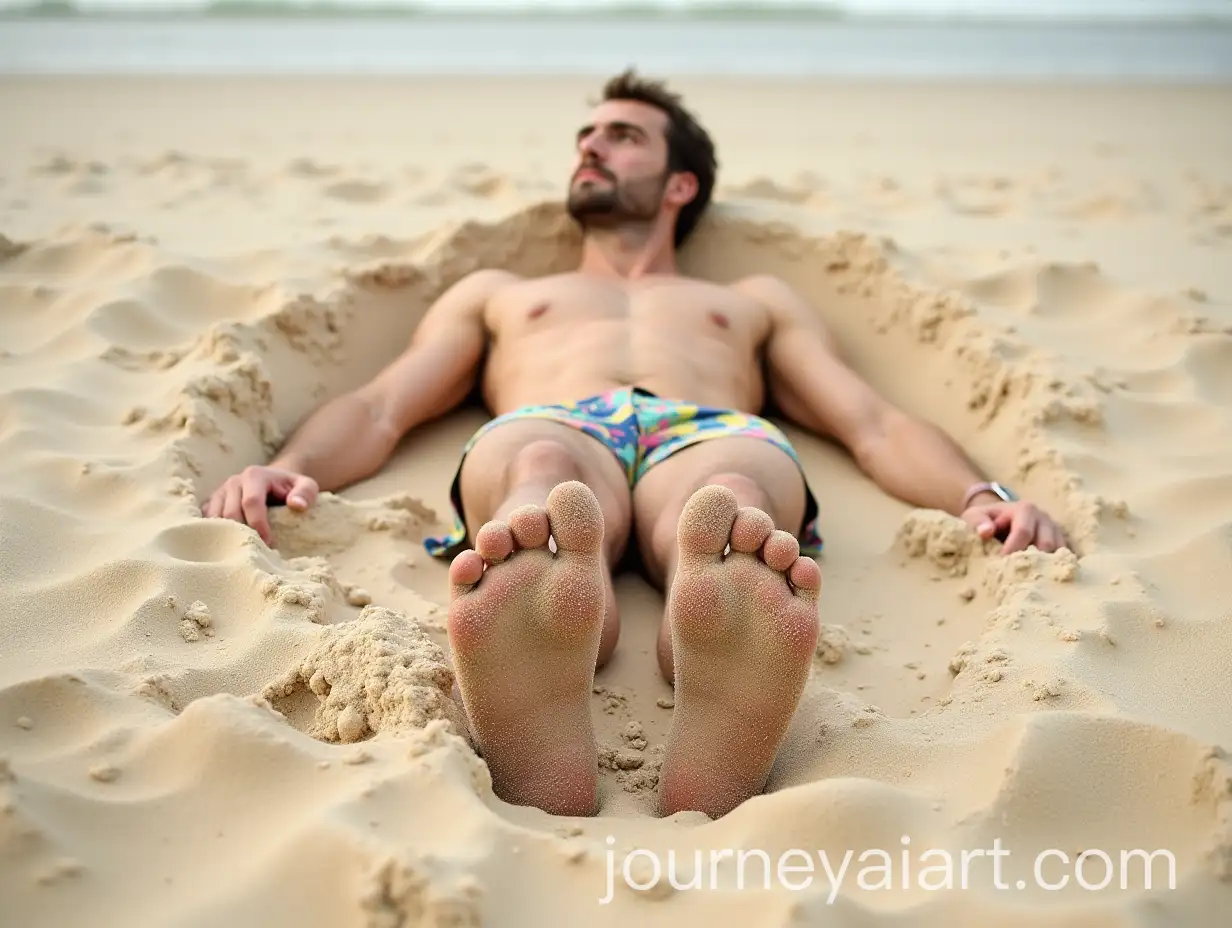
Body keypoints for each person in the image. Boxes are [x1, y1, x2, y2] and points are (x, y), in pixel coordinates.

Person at [202, 70, 1066, 821]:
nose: (590, 149)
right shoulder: (502, 293)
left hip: (707, 427)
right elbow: (384, 405)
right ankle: (557, 606)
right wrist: (293, 469)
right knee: (542, 481)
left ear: (682, 183)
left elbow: (869, 422)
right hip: (557, 420)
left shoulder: (750, 301)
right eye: (585, 136)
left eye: (621, 135)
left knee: (726, 496)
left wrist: (977, 497)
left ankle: (708, 622)